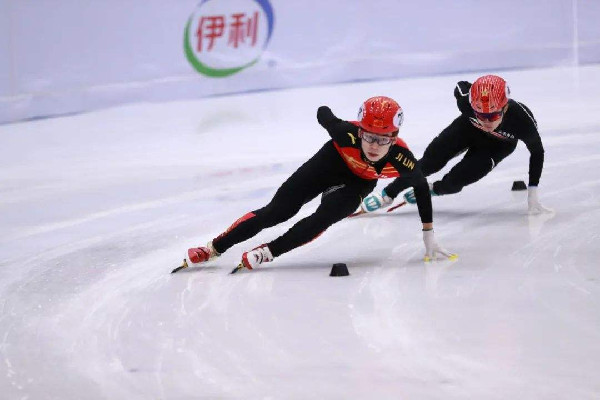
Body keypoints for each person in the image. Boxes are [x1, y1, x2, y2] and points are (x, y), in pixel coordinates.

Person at [182, 96, 456, 273]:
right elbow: (322, 111)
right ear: (359, 130)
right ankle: (214, 247)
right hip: (328, 164)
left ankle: (268, 252)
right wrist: (332, 120)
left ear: (394, 138)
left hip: (357, 184)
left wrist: (428, 233)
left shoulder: (403, 160)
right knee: (277, 211)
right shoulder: (344, 133)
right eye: (368, 136)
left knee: (324, 216)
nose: (374, 145)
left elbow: (421, 188)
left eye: (383, 139)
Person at [358, 75, 552, 216]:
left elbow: (537, 152)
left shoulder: (521, 121)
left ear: (505, 107)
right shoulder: (466, 102)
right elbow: (460, 86)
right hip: (466, 130)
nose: (486, 121)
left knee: (455, 182)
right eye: (480, 114)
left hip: (497, 146)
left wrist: (532, 192)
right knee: (428, 164)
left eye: (492, 116)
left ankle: (435, 189)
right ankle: (388, 194)